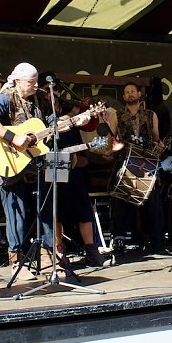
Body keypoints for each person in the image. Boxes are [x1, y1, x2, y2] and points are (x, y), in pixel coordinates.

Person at [0, 62, 49, 280]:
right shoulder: (5, 98)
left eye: (36, 82)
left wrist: (72, 121)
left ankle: (47, 257)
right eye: (31, 83)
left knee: (45, 207)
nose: (35, 86)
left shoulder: (39, 100)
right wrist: (13, 137)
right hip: (8, 160)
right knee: (15, 211)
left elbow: (49, 124)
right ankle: (17, 262)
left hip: (33, 163)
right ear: (17, 81)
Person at [40, 95, 115, 268]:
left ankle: (92, 251)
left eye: (54, 89)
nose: (51, 93)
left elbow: (86, 129)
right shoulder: (40, 111)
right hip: (52, 164)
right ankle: (59, 252)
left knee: (84, 208)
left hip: (75, 166)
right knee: (56, 210)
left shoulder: (68, 109)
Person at [111, 82, 166, 254]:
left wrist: (160, 145)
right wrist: (112, 149)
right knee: (121, 202)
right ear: (124, 96)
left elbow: (156, 137)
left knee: (153, 203)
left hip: (146, 162)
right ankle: (119, 241)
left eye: (132, 91)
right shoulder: (117, 115)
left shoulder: (150, 115)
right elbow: (112, 138)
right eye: (126, 92)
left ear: (139, 94)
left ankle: (156, 243)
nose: (129, 94)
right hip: (125, 162)